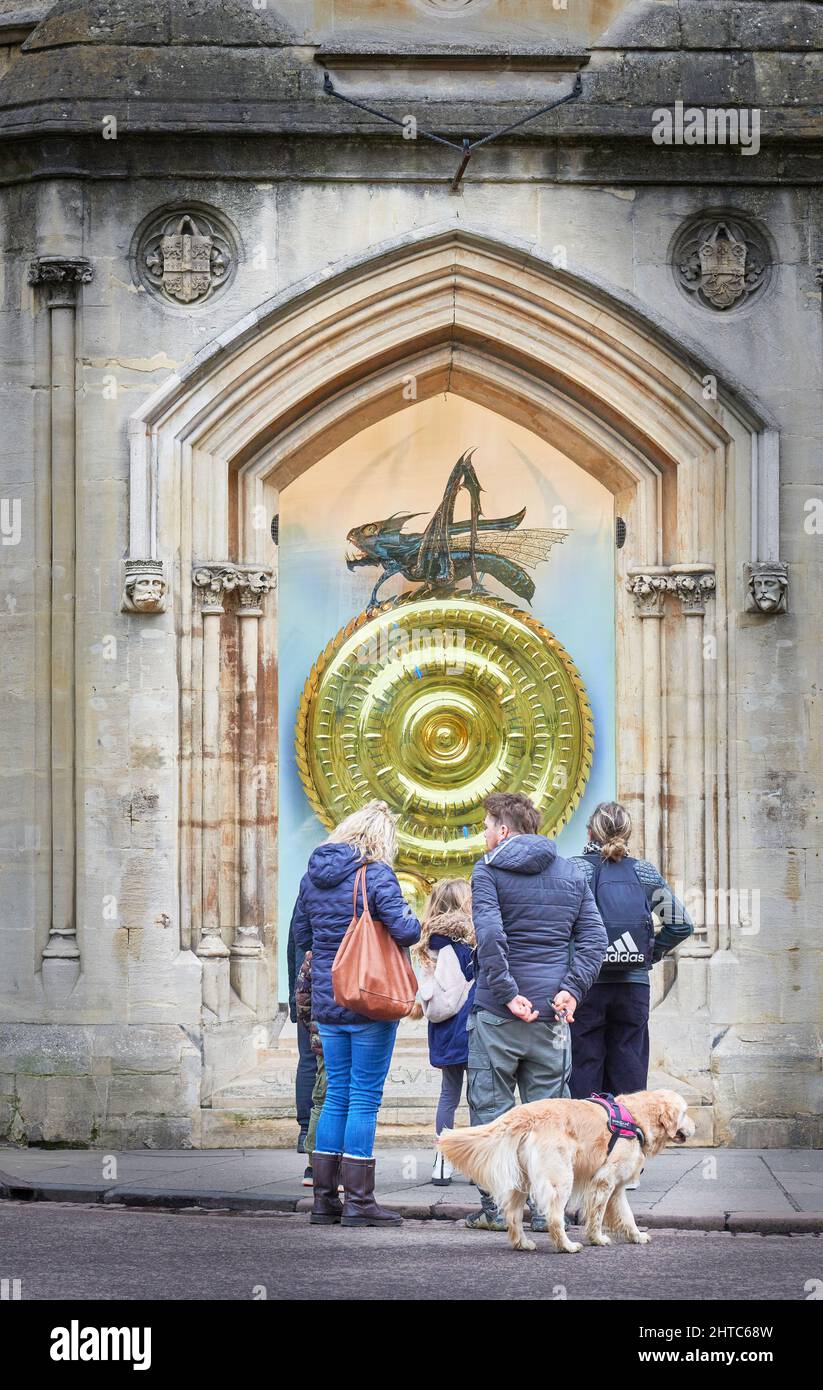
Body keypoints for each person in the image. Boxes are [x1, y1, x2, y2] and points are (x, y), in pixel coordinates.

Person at [466, 791, 608, 1232]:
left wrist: (506, 991)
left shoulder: (487, 871)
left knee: (492, 1115)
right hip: (551, 1017)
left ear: (503, 830)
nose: (484, 834)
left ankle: (497, 1212)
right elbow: (594, 940)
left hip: (497, 1015)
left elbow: (489, 934)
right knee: (550, 1122)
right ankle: (550, 1210)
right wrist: (572, 990)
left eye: (488, 827)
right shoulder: (570, 872)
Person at [291, 799, 421, 1228]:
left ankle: (324, 1201)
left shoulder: (313, 878)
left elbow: (303, 935)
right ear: (381, 839)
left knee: (337, 1097)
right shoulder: (375, 873)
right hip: (368, 998)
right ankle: (360, 1202)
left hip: (330, 1002)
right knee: (364, 1097)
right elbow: (406, 930)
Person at [568, 800, 694, 1101]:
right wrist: (647, 954)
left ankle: (589, 1143)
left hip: (587, 985)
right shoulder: (645, 874)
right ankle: (626, 1141)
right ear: (627, 833)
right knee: (629, 1077)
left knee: (583, 1072)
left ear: (589, 833)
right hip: (632, 985)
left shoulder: (574, 870)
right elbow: (681, 925)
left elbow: (560, 926)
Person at [412, 878, 476, 1186]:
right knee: (479, 1096)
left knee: (448, 1094)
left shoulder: (430, 941)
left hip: (443, 1030)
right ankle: (480, 1161)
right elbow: (457, 992)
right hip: (469, 1027)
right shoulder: (464, 943)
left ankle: (442, 1160)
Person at [287, 910, 317, 1156]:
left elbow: (295, 945)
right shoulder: (357, 883)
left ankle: (306, 1131)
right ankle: (310, 1131)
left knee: (308, 1059)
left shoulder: (309, 888)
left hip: (307, 988)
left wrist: (294, 999)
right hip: (339, 989)